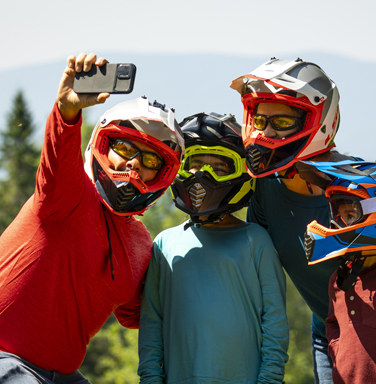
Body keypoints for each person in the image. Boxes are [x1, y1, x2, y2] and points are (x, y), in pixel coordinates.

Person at [0, 53, 184, 383]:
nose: (135, 165)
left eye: (150, 160)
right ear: (103, 144)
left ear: (163, 174)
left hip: (59, 374)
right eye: (126, 149)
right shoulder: (67, 195)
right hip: (6, 359)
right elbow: (58, 152)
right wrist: (68, 110)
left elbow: (138, 315)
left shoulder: (141, 244)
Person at [230, 58, 359, 383]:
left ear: (318, 121)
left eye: (283, 121)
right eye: (260, 119)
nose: (266, 132)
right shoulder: (263, 187)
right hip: (326, 330)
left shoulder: (363, 187)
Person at [138, 112, 289, 384]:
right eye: (194, 164)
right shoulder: (164, 244)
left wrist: (270, 380)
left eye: (219, 168)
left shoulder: (256, 240)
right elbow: (152, 323)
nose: (202, 175)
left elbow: (275, 322)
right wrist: (150, 378)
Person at [304, 160, 376, 383]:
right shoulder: (339, 280)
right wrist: (338, 350)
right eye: (340, 216)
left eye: (351, 214)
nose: (341, 223)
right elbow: (331, 323)